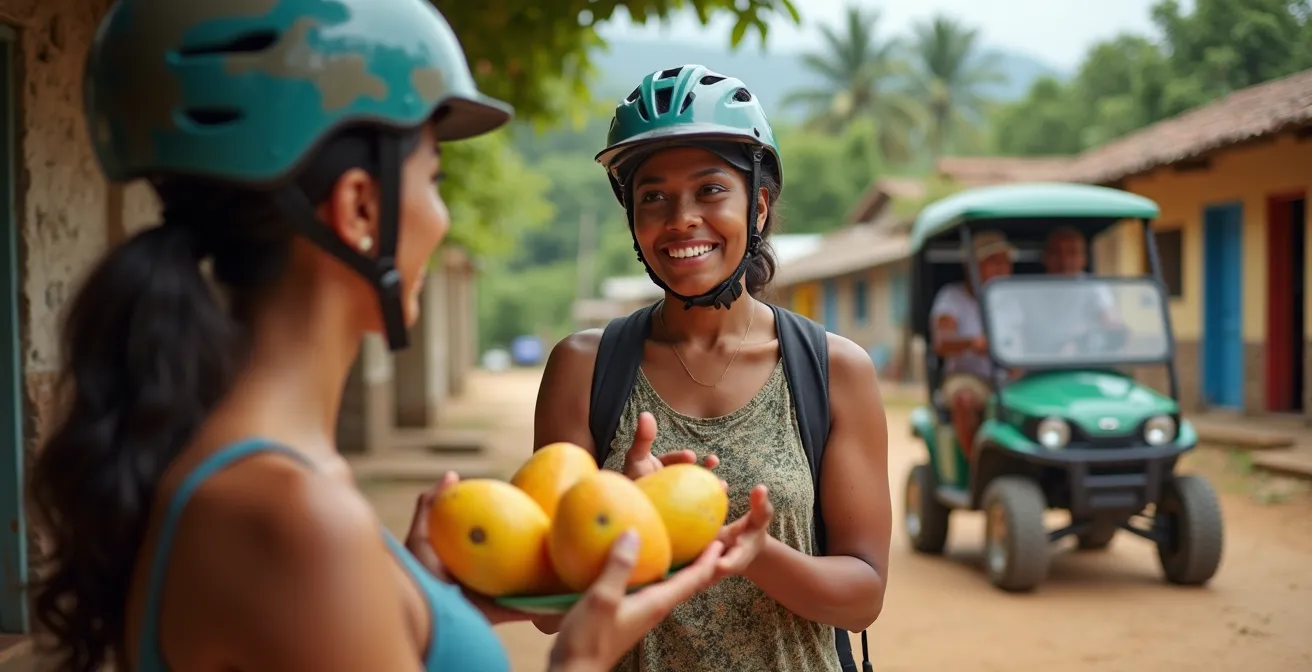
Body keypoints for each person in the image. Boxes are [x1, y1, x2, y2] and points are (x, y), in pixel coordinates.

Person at [27, 4, 757, 672]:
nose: (442, 219)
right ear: (360, 208)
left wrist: (423, 602)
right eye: (433, 177)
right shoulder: (295, 517)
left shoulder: (246, 474)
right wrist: (582, 662)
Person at [534, 65, 891, 672]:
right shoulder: (583, 369)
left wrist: (749, 552)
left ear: (758, 207)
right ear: (633, 220)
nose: (681, 219)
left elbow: (862, 598)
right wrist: (618, 509)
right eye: (653, 197)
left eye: (710, 189)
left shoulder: (832, 369)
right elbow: (549, 610)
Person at [929, 230, 1015, 458]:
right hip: (968, 376)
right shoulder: (952, 298)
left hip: (1009, 377)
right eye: (993, 262)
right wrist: (973, 343)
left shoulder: (1014, 300)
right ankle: (976, 463)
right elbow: (942, 342)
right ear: (972, 266)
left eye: (1005, 262)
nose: (1001, 269)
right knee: (964, 399)